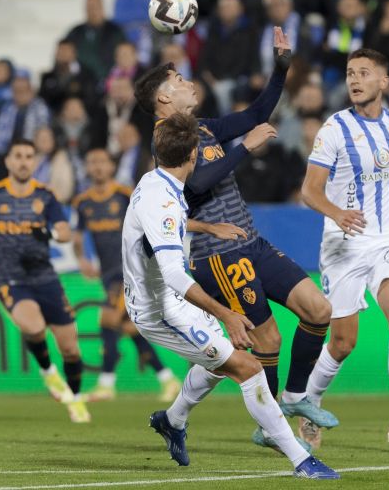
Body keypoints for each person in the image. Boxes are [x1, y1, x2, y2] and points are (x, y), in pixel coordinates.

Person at [134, 27, 339, 452]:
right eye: (178, 82)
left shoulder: (203, 128)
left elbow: (258, 111)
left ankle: (296, 397)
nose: (188, 82)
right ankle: (271, 426)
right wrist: (244, 148)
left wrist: (280, 68)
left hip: (250, 240)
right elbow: (196, 185)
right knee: (268, 341)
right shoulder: (163, 140)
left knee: (319, 309)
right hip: (218, 257)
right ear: (163, 100)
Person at [301, 47, 389, 448]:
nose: (354, 79)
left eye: (364, 73)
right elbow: (309, 191)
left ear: (383, 82)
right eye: (350, 73)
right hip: (342, 243)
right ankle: (306, 403)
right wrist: (337, 212)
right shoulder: (333, 129)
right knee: (344, 342)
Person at [0, 139, 91, 423]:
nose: (23, 161)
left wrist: (47, 235)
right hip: (11, 278)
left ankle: (74, 399)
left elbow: (65, 233)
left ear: (34, 163)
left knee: (71, 349)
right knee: (33, 327)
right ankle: (48, 373)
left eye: (28, 157)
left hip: (45, 277)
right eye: (18, 156)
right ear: (8, 162)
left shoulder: (46, 196)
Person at [71, 147, 182, 402]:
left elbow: (146, 225)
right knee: (128, 328)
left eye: (102, 161)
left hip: (131, 269)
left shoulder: (125, 195)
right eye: (92, 161)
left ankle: (106, 384)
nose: (97, 166)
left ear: (112, 167)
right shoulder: (82, 202)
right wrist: (81, 259)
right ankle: (168, 379)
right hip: (108, 274)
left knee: (107, 320)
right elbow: (77, 236)